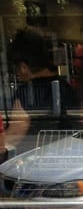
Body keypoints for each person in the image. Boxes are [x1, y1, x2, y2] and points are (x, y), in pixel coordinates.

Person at [4, 29, 77, 158]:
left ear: (23, 67)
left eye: (16, 68)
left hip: (33, 160)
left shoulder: (25, 93)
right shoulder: (65, 87)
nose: (17, 74)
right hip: (67, 156)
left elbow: (16, 132)